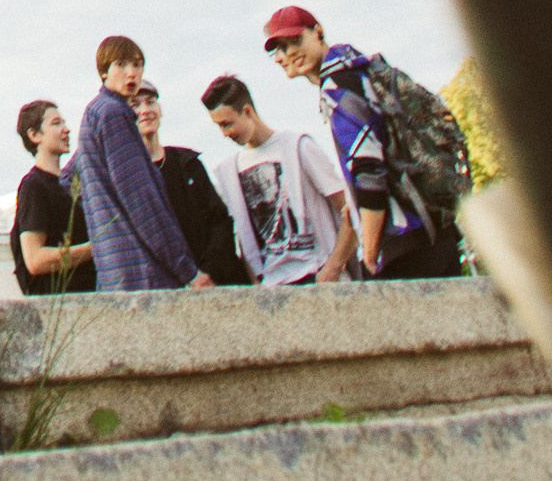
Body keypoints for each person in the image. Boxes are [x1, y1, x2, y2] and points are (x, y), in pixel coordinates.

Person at [262, 8, 469, 280]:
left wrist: (370, 249)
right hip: (434, 229)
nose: (287, 54)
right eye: (279, 49)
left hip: (404, 247)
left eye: (295, 41)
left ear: (318, 32)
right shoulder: (361, 70)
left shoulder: (337, 86)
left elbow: (368, 170)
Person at [71, 36, 212, 294]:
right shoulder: (114, 113)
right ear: (103, 71)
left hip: (113, 270)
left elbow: (69, 179)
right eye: (121, 64)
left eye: (137, 65)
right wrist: (188, 271)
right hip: (142, 271)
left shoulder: (94, 112)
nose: (131, 73)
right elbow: (140, 200)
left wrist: (103, 210)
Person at [201, 72, 356, 288]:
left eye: (227, 124)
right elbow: (246, 240)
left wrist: (333, 268)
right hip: (273, 288)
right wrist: (257, 285)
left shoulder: (298, 146)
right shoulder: (229, 171)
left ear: (247, 111)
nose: (224, 133)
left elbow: (350, 210)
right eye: (218, 126)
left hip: (318, 277)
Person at [132, 79, 249, 286]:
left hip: (213, 282)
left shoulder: (187, 163)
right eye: (135, 105)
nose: (145, 110)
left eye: (150, 102)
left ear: (159, 109)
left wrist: (208, 273)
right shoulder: (128, 176)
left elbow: (219, 220)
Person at [11, 100, 96, 298]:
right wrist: (93, 248)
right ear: (34, 135)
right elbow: (35, 260)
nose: (66, 130)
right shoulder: (34, 186)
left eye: (64, 123)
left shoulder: (73, 184)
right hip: (60, 307)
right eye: (56, 123)